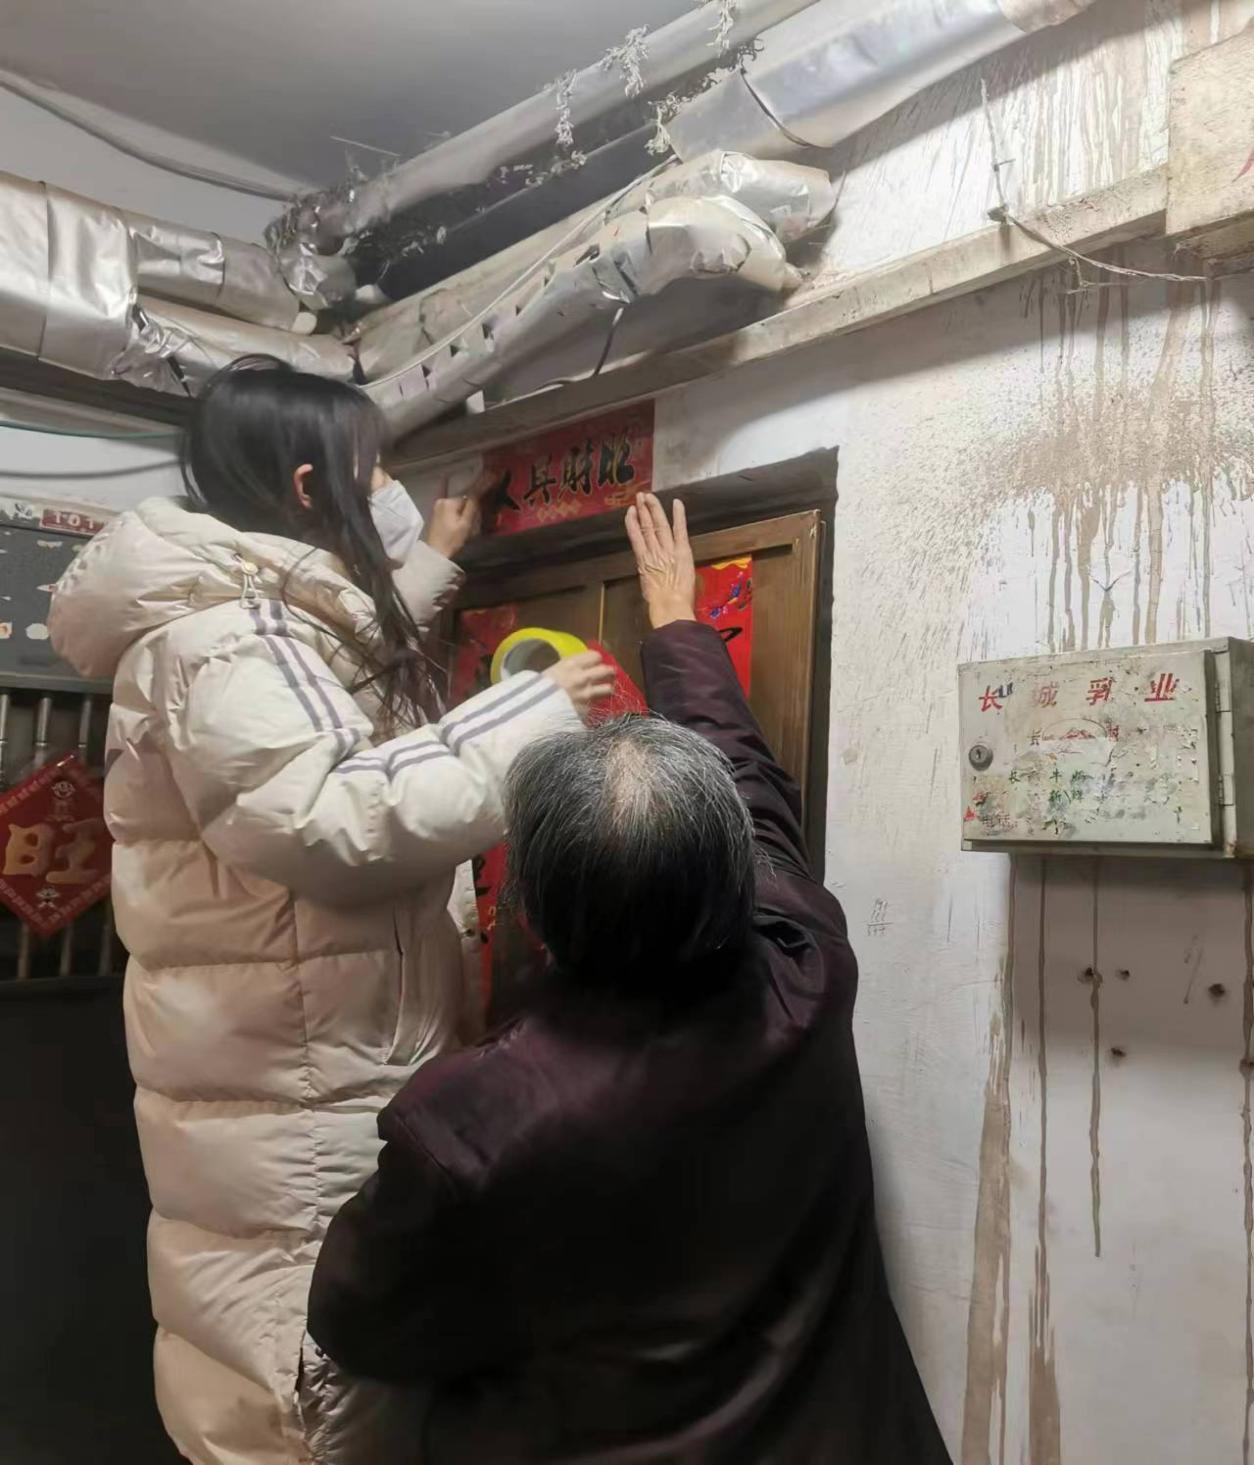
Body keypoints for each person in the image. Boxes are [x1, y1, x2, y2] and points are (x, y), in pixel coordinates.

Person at [47, 357, 614, 1465]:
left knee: (303, 1366)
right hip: (300, 1106)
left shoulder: (237, 618)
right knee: (310, 1396)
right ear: (311, 487)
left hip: (302, 1072)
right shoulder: (230, 638)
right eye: (376, 472)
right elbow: (326, 813)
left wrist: (430, 559)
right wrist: (532, 714)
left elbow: (322, 685)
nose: (387, 490)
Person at [308, 493, 951, 1463]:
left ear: (531, 913)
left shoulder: (472, 1121)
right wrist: (679, 624)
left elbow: (361, 1323)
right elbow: (753, 789)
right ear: (734, 872)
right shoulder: (805, 966)